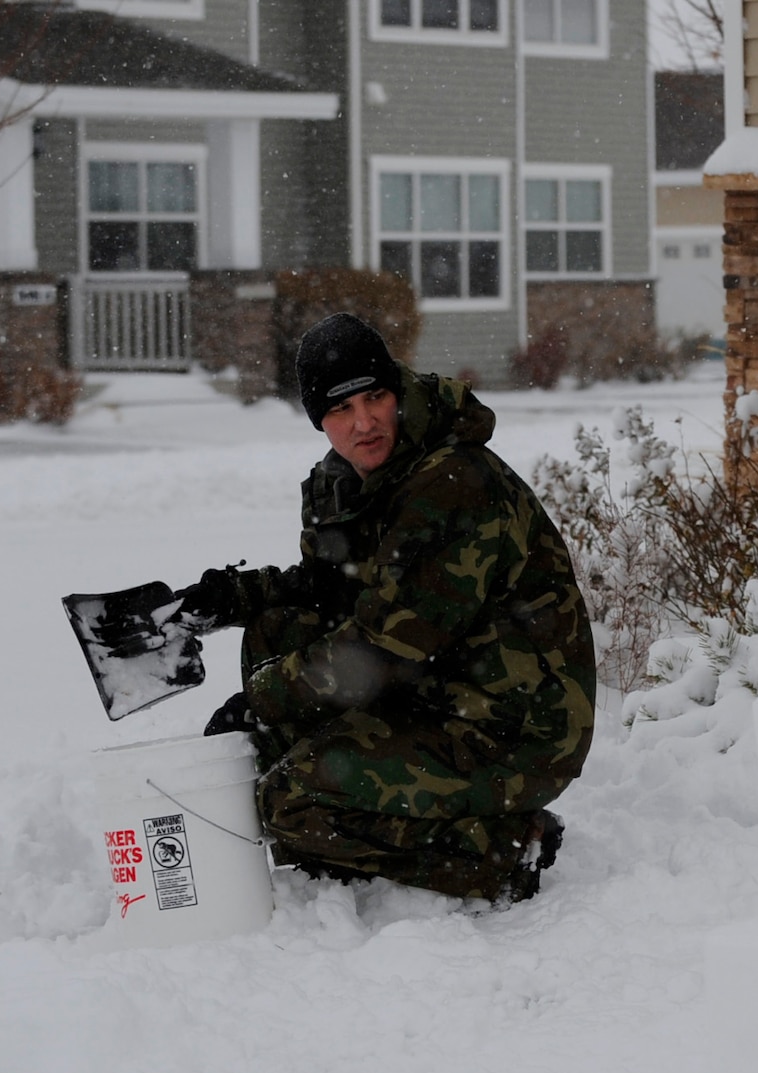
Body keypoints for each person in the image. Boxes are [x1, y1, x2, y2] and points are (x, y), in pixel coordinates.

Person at [141, 313, 597, 903]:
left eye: (375, 397)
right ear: (317, 420)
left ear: (397, 391)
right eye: (339, 410)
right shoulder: (348, 479)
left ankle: (502, 849)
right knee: (280, 627)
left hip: (513, 727)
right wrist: (232, 597)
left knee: (290, 805)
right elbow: (331, 586)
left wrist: (260, 698)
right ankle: (357, 800)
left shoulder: (453, 484)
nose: (363, 423)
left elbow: (385, 650)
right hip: (439, 687)